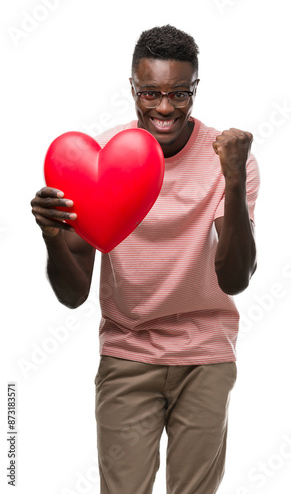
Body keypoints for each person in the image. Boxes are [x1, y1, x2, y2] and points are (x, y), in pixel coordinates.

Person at [31, 25, 260, 494]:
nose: (164, 107)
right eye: (150, 92)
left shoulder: (228, 158)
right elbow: (73, 294)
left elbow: (235, 278)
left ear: (196, 88)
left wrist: (233, 180)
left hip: (205, 356)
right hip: (127, 355)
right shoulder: (95, 163)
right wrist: (52, 236)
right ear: (133, 88)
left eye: (179, 93)